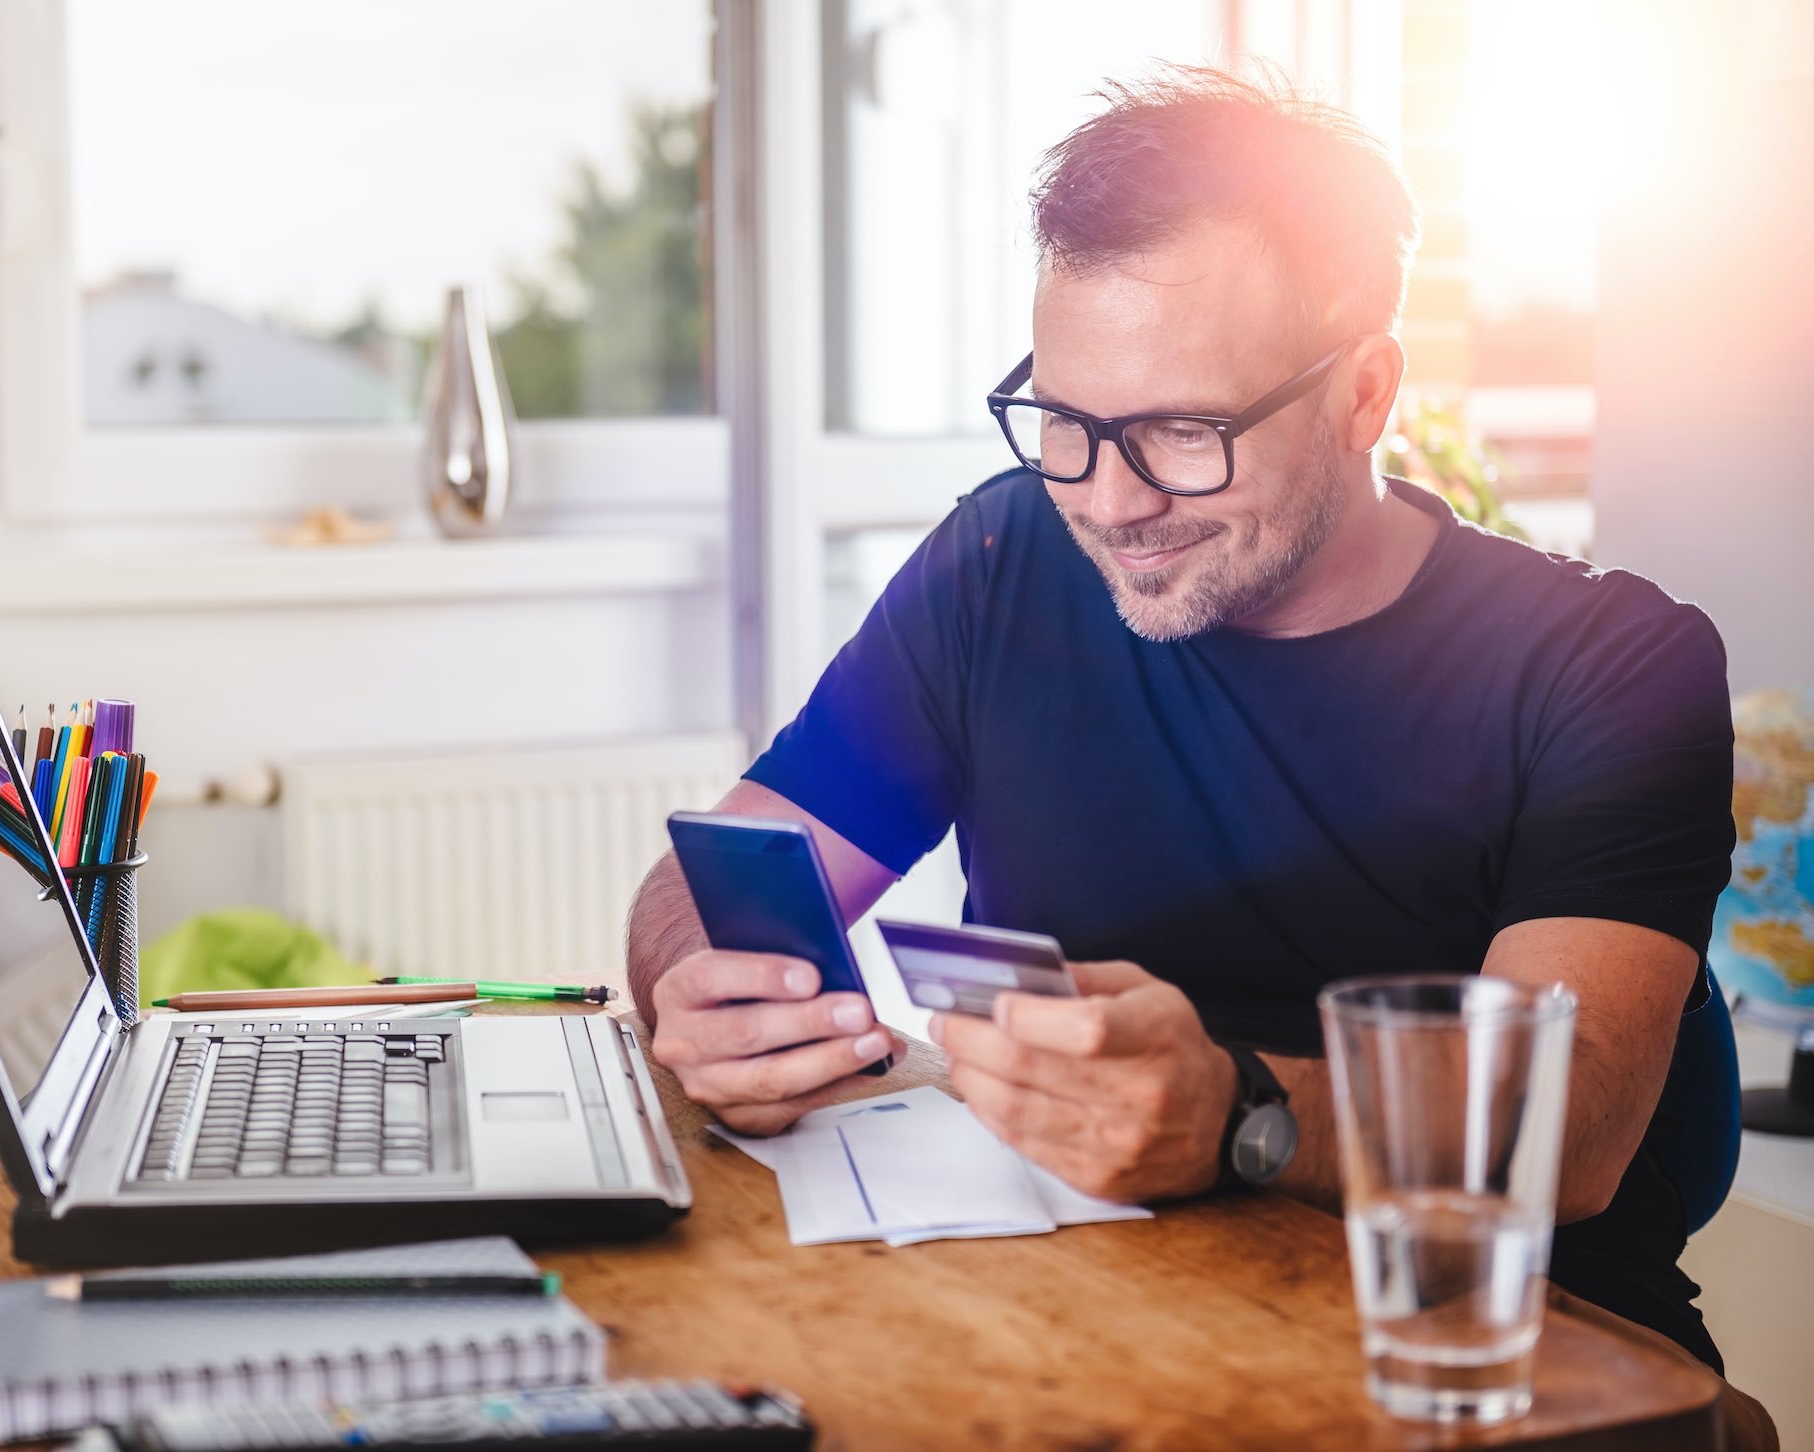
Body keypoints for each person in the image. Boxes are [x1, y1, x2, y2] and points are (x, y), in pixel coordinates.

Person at [624, 67, 1773, 1445]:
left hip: (1507, 1370)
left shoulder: (1610, 663)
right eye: (1064, 421)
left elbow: (1565, 1130)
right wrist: (693, 980)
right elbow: (721, 871)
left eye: (1184, 431)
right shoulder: (1000, 561)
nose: (1110, 501)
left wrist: (1237, 1115)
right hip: (1091, 1318)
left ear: (1363, 393)